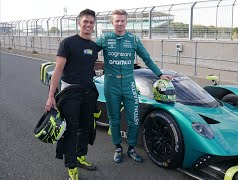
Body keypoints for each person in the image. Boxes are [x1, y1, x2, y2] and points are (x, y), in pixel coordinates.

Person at [96, 9, 171, 163]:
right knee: (114, 119)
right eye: (117, 21)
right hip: (111, 84)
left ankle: (131, 148)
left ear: (126, 22)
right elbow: (88, 52)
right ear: (112, 22)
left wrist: (159, 74)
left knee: (134, 119)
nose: (120, 23)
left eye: (122, 20)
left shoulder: (133, 40)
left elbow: (147, 58)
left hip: (129, 83)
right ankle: (118, 147)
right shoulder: (104, 38)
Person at [45, 9, 103, 180]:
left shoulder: (93, 46)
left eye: (91, 22)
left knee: (86, 127)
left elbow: (89, 65)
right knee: (71, 130)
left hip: (88, 92)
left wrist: (113, 65)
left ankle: (80, 156)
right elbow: (58, 70)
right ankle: (71, 167)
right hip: (70, 92)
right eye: (85, 21)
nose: (88, 25)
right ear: (79, 22)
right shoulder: (68, 43)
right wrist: (51, 96)